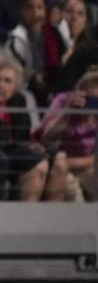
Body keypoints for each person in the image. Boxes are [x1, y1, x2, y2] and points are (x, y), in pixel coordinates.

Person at [0, 56, 68, 201]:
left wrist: (30, 145)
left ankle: (51, 218)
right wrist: (23, 147)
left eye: (7, 81)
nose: (0, 86)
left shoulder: (18, 100)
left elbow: (23, 135)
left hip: (13, 150)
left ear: (15, 85)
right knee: (38, 164)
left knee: (60, 158)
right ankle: (24, 219)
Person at [35, 70, 98, 202]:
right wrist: (67, 112)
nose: (93, 105)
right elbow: (46, 137)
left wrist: (68, 163)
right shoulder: (64, 100)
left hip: (85, 165)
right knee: (71, 191)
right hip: (59, 165)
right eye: (90, 99)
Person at [6, 0, 65, 105]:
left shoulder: (54, 34)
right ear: (22, 10)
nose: (35, 13)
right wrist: (33, 76)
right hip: (28, 87)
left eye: (39, 7)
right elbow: (15, 68)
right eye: (29, 7)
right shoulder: (15, 38)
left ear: (45, 11)